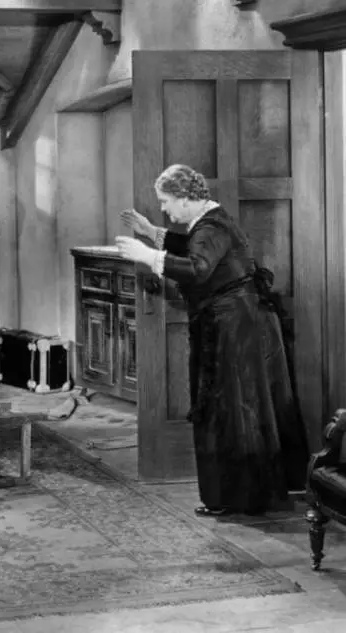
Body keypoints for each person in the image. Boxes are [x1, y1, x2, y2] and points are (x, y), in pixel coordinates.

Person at [115, 163, 309, 517]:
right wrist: (152, 232)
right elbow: (195, 249)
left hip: (236, 329)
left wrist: (148, 256)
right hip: (237, 324)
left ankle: (238, 498)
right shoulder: (210, 221)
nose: (164, 209)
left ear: (185, 198)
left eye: (166, 201)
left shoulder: (211, 226)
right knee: (237, 408)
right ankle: (241, 495)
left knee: (234, 409)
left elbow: (198, 268)